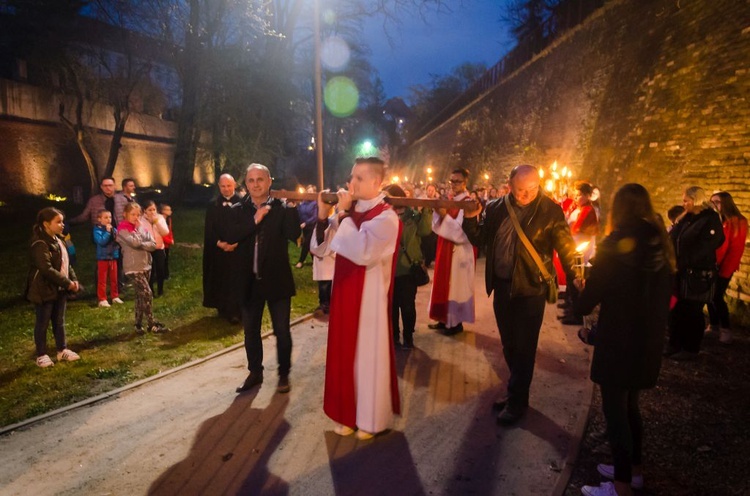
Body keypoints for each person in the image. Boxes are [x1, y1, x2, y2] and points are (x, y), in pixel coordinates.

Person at [575, 183, 675, 496]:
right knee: (631, 407)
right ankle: (635, 471)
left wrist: (580, 286)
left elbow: (588, 301)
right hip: (648, 340)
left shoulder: (615, 243)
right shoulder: (661, 241)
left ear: (619, 209)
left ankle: (619, 488)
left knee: (615, 413)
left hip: (618, 340)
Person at [463, 164, 577, 425]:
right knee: (509, 343)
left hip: (531, 288)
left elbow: (567, 247)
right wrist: (470, 218)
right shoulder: (494, 207)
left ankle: (517, 400)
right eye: (520, 190)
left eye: (533, 189)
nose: (526, 195)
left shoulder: (549, 210)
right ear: (509, 184)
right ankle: (517, 391)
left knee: (525, 347)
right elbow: (480, 240)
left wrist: (576, 276)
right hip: (502, 286)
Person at [311, 157, 401, 440]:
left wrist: (345, 215)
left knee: (367, 356)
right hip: (344, 293)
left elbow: (363, 251)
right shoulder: (347, 213)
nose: (352, 183)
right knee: (344, 354)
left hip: (370, 299)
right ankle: (346, 413)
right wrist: (325, 216)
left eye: (360, 178)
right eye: (352, 177)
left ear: (377, 182)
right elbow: (321, 250)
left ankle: (370, 419)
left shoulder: (387, 216)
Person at [221, 164, 300, 395]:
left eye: (260, 180)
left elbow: (293, 234)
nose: (255, 184)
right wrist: (255, 219)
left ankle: (283, 374)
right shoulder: (237, 209)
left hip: (277, 280)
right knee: (251, 331)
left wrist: (293, 207)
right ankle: (255, 372)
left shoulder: (281, 208)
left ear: (269, 182)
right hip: (249, 281)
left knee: (282, 331)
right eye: (251, 180)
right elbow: (231, 235)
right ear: (246, 184)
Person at [666, 186, 724, 361]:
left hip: (696, 275)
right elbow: (674, 238)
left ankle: (690, 348)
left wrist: (683, 261)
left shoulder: (710, 219)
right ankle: (675, 344)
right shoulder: (686, 218)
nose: (684, 204)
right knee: (677, 310)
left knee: (692, 311)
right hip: (680, 272)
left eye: (686, 201)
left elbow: (708, 245)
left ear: (696, 200)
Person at [26, 207, 81, 368]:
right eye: (58, 222)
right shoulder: (40, 244)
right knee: (42, 322)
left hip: (59, 289)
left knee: (59, 321)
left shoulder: (60, 240)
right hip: (43, 289)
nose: (62, 225)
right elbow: (46, 269)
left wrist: (74, 280)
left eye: (62, 221)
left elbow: (66, 263)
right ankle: (41, 354)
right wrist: (67, 282)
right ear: (46, 224)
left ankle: (61, 350)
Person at [428, 167, 476, 335]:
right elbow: (437, 225)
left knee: (456, 286)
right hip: (445, 247)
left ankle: (455, 323)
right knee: (443, 284)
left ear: (465, 183)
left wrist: (444, 216)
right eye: (452, 181)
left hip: (458, 251)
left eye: (458, 181)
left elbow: (463, 233)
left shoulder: (467, 203)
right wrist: (438, 214)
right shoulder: (450, 200)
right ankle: (443, 319)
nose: (454, 184)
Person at [384, 184, 432, 349]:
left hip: (408, 269)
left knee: (407, 306)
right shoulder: (383, 215)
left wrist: (426, 209)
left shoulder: (412, 215)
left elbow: (426, 231)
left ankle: (408, 335)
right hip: (389, 270)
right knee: (391, 306)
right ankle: (394, 336)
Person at [117, 202, 169, 334]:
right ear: (125, 214)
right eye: (133, 214)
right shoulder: (123, 229)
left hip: (145, 264)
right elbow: (134, 243)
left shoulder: (138, 228)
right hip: (133, 267)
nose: (136, 217)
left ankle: (138, 324)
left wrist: (141, 241)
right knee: (147, 293)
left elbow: (153, 244)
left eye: (138, 215)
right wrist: (142, 239)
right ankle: (151, 324)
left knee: (140, 296)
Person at [202, 174, 243, 323]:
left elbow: (246, 225)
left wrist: (236, 243)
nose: (226, 189)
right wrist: (219, 243)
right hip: (219, 249)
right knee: (221, 278)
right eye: (223, 186)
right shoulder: (213, 204)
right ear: (219, 187)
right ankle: (222, 307)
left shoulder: (243, 202)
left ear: (234, 185)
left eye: (229, 186)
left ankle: (236, 311)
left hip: (238, 250)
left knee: (236, 280)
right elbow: (209, 227)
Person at [707, 191, 747, 344]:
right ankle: (713, 325)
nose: (714, 205)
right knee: (709, 295)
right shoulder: (716, 219)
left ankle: (726, 329)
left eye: (717, 202)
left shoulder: (737, 222)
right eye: (712, 202)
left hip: (724, 266)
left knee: (717, 296)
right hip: (711, 264)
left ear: (726, 203)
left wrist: (724, 269)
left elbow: (734, 249)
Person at [93, 209, 123, 307]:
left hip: (113, 257)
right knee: (102, 280)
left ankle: (115, 296)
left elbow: (118, 240)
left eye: (110, 217)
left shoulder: (113, 229)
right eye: (105, 217)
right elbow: (101, 241)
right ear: (99, 219)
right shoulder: (97, 230)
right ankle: (102, 299)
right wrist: (108, 232)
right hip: (103, 258)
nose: (108, 219)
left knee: (114, 279)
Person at [140, 200, 169, 297]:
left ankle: (160, 290)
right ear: (144, 211)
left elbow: (165, 232)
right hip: (147, 249)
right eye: (149, 210)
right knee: (150, 270)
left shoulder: (160, 218)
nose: (152, 212)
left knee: (160, 269)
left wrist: (156, 223)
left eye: (154, 209)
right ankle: (150, 290)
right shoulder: (141, 220)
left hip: (159, 247)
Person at [295, 185, 318, 268]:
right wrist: (297, 205)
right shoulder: (303, 203)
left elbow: (315, 217)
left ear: (314, 193)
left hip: (312, 226)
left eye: (311, 192)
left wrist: (306, 223)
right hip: (304, 228)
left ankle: (301, 261)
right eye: (308, 192)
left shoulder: (315, 203)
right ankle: (315, 262)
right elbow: (300, 213)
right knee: (309, 245)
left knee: (306, 243)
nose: (309, 193)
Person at [420, 183, 439, 267]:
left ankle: (428, 261)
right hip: (424, 227)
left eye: (432, 191)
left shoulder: (437, 202)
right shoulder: (422, 201)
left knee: (431, 247)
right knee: (423, 246)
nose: (430, 192)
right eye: (429, 190)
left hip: (434, 228)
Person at [160, 204, 174, 280]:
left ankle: (166, 274)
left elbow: (170, 231)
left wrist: (171, 239)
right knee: (162, 259)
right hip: (162, 243)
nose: (170, 211)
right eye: (168, 210)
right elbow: (161, 233)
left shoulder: (169, 219)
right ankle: (162, 275)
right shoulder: (160, 220)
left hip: (167, 243)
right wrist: (169, 241)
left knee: (166, 259)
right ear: (163, 211)